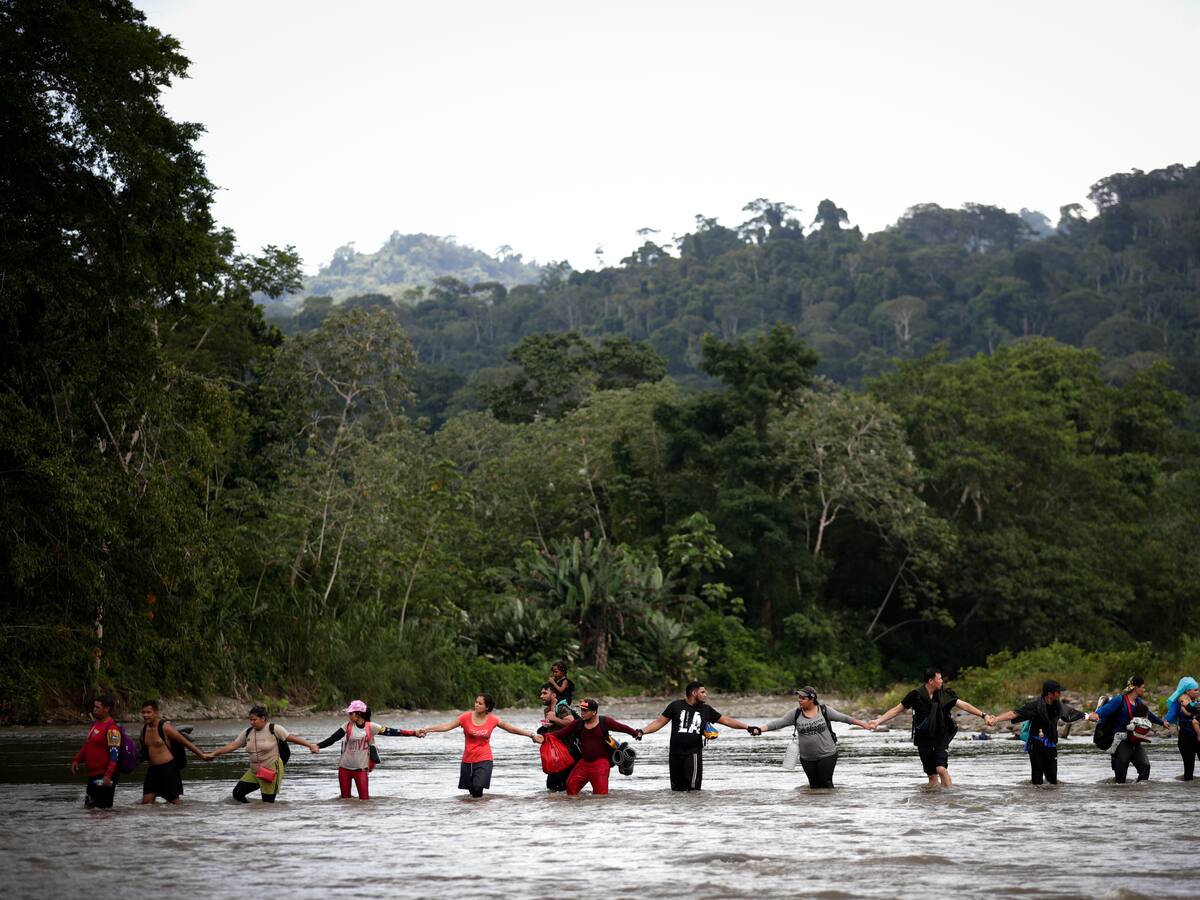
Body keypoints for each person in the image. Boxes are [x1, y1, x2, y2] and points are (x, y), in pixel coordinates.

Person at [869, 667, 989, 787]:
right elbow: (897, 710)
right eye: (939, 678)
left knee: (941, 769)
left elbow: (964, 705)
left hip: (942, 734)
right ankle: (932, 802)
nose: (942, 681)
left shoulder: (945, 693)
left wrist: (983, 715)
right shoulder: (915, 695)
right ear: (931, 681)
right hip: (923, 737)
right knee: (932, 776)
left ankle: (951, 798)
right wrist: (878, 721)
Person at [749, 686, 874, 788]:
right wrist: (760, 729)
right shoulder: (796, 714)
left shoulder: (824, 710)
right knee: (813, 787)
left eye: (803, 698)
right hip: (807, 758)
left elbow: (845, 718)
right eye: (799, 697)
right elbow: (777, 723)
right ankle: (815, 812)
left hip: (827, 754)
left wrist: (864, 724)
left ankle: (831, 811)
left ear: (812, 699)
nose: (799, 700)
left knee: (826, 784)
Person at [640, 680, 754, 791]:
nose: (706, 695)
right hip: (674, 754)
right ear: (694, 693)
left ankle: (695, 809)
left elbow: (727, 721)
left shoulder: (706, 710)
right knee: (676, 790)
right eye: (703, 692)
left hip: (693, 754)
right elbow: (659, 723)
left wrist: (748, 727)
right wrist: (642, 731)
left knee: (693, 790)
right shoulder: (675, 706)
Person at [423, 693, 543, 797]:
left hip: (484, 759)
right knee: (472, 794)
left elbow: (511, 729)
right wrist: (427, 729)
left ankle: (483, 817)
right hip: (468, 760)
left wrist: (532, 735)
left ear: (487, 707)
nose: (476, 705)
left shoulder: (493, 720)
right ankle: (475, 819)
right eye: (476, 702)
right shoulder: (465, 717)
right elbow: (446, 727)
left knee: (477, 789)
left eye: (480, 703)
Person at [989, 680, 1097, 785]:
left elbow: (1071, 712)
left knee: (1052, 780)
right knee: (1037, 781)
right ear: (1050, 694)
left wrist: (1088, 716)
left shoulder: (1058, 706)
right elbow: (1014, 713)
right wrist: (996, 719)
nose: (1060, 694)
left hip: (1051, 744)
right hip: (1035, 745)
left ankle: (1050, 801)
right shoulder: (1035, 706)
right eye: (1058, 692)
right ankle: (1037, 801)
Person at [208, 705, 320, 802]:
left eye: (254, 720)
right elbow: (233, 745)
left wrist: (310, 745)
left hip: (271, 770)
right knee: (237, 794)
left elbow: (292, 738)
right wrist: (214, 753)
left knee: (267, 804)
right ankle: (250, 810)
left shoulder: (274, 729)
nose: (251, 722)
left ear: (263, 718)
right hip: (254, 771)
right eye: (250, 720)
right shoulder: (248, 732)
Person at [315, 700, 424, 800]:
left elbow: (391, 731)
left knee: (364, 801)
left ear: (359, 714)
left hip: (361, 770)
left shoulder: (371, 727)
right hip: (344, 769)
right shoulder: (347, 726)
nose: (349, 715)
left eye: (351, 713)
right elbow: (333, 739)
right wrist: (318, 746)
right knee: (345, 800)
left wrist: (413, 733)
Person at [547, 698, 641, 796]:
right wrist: (544, 737)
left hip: (601, 764)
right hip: (584, 763)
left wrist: (635, 733)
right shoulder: (578, 723)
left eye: (585, 711)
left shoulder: (605, 721)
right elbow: (561, 733)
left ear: (594, 712)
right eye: (581, 710)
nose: (582, 713)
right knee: (570, 785)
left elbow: (622, 727)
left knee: (600, 795)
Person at [138, 699, 211, 804]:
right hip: (152, 770)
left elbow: (186, 742)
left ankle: (184, 817)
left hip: (168, 769)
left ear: (156, 712)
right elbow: (143, 750)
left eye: (149, 712)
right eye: (143, 713)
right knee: (146, 803)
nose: (146, 715)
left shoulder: (165, 727)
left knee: (174, 803)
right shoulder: (143, 729)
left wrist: (202, 755)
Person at [1095, 676, 1165, 783]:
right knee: (1121, 771)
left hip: (1134, 739)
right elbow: (1105, 710)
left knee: (1145, 767)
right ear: (1135, 688)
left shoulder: (1138, 702)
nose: (1144, 689)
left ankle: (1137, 793)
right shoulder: (1120, 700)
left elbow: (1148, 714)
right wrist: (1095, 715)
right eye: (1143, 687)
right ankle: (1120, 795)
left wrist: (1162, 722)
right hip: (1121, 741)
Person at [71, 694, 123, 809]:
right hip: (92, 775)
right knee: (90, 810)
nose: (94, 709)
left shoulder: (112, 729)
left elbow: (115, 755)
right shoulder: (95, 725)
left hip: (104, 776)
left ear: (107, 709)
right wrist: (77, 760)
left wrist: (108, 776)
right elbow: (88, 745)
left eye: (97, 707)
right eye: (94, 706)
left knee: (103, 813)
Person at [536, 683, 579, 792]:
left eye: (545, 693)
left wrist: (554, 719)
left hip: (568, 752)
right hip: (556, 753)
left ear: (554, 695)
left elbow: (571, 723)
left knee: (562, 787)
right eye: (541, 693)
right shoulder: (547, 710)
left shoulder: (562, 706)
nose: (541, 696)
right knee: (551, 786)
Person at [1164, 676, 1199, 780]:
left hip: (1198, 737)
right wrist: (1165, 722)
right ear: (1188, 691)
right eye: (1195, 690)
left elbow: (1195, 709)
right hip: (1186, 738)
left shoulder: (1196, 701)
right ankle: (1187, 793)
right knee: (1189, 769)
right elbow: (1170, 716)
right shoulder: (1179, 702)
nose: (1198, 692)